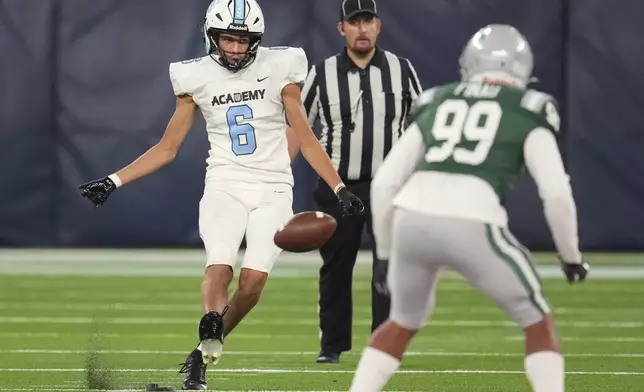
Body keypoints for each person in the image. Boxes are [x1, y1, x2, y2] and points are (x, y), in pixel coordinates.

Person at [78, 0, 364, 390]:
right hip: (225, 182)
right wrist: (114, 180)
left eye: (243, 39)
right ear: (212, 36)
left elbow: (307, 137)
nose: (234, 48)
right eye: (228, 38)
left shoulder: (282, 66)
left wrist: (339, 186)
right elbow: (167, 148)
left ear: (256, 40)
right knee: (220, 265)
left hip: (274, 187)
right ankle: (211, 321)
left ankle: (202, 350)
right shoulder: (194, 76)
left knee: (252, 283)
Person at [348, 24, 590, 392]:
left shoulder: (438, 99)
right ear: (524, 67)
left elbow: (384, 183)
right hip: (472, 220)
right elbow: (555, 192)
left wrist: (384, 253)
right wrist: (570, 256)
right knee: (537, 321)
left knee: (401, 321)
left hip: (410, 220)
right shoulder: (530, 107)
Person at [298, 0, 422, 364]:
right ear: (342, 29)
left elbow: (422, 122)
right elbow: (299, 127)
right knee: (336, 267)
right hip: (340, 186)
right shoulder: (321, 74)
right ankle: (331, 346)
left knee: (389, 266)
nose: (362, 28)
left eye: (368, 20)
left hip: (390, 184)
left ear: (378, 26)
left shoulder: (401, 69)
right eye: (354, 22)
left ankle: (384, 346)